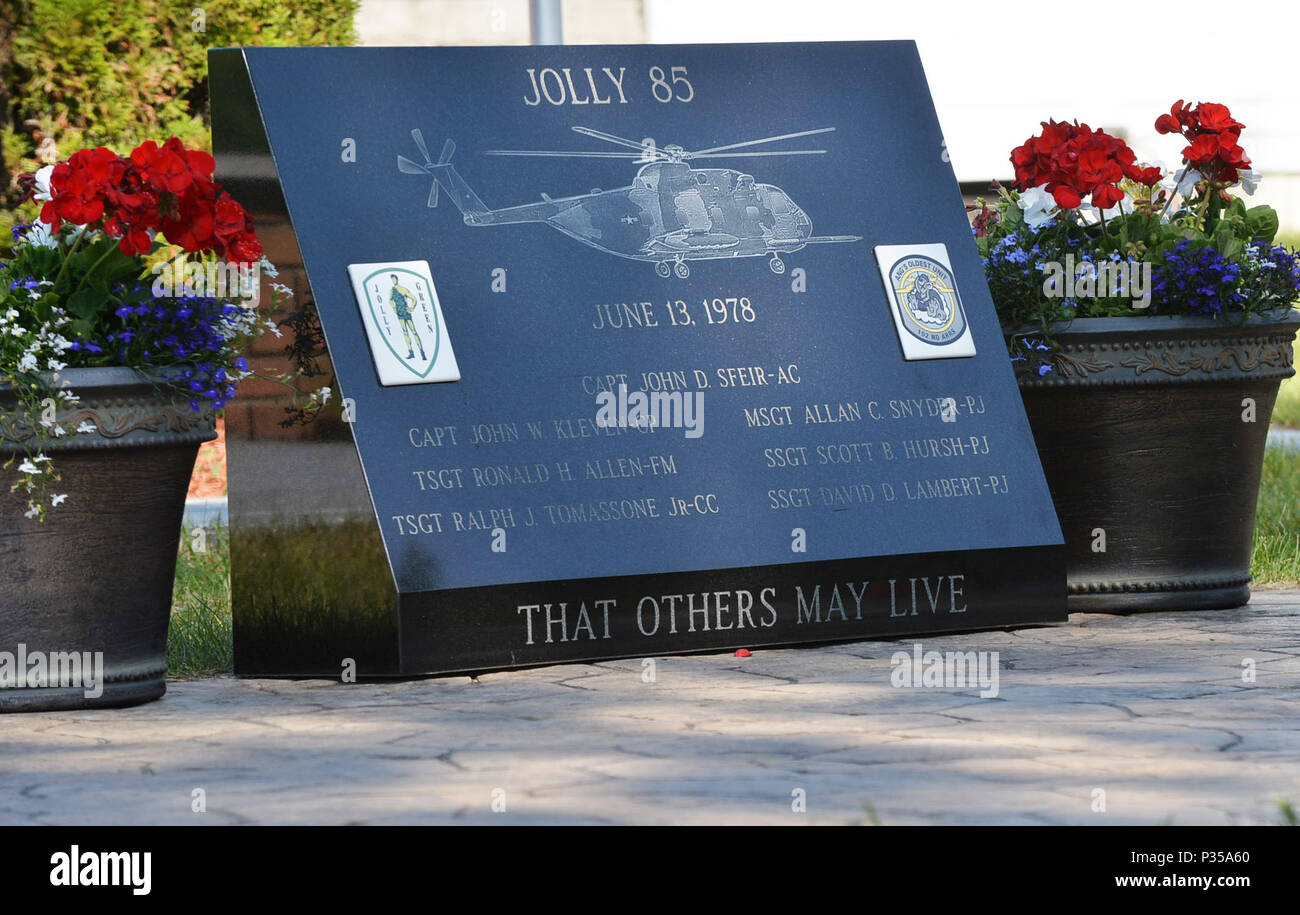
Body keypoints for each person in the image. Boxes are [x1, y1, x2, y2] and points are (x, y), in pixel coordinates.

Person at [389, 274, 426, 360]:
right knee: (405, 332)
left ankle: (422, 352)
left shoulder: (403, 289)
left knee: (413, 331)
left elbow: (414, 298)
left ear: (397, 279)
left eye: (394, 279)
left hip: (406, 312)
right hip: (399, 313)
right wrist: (394, 308)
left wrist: (412, 308)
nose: (393, 281)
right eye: (392, 280)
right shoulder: (392, 290)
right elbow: (390, 300)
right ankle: (411, 352)